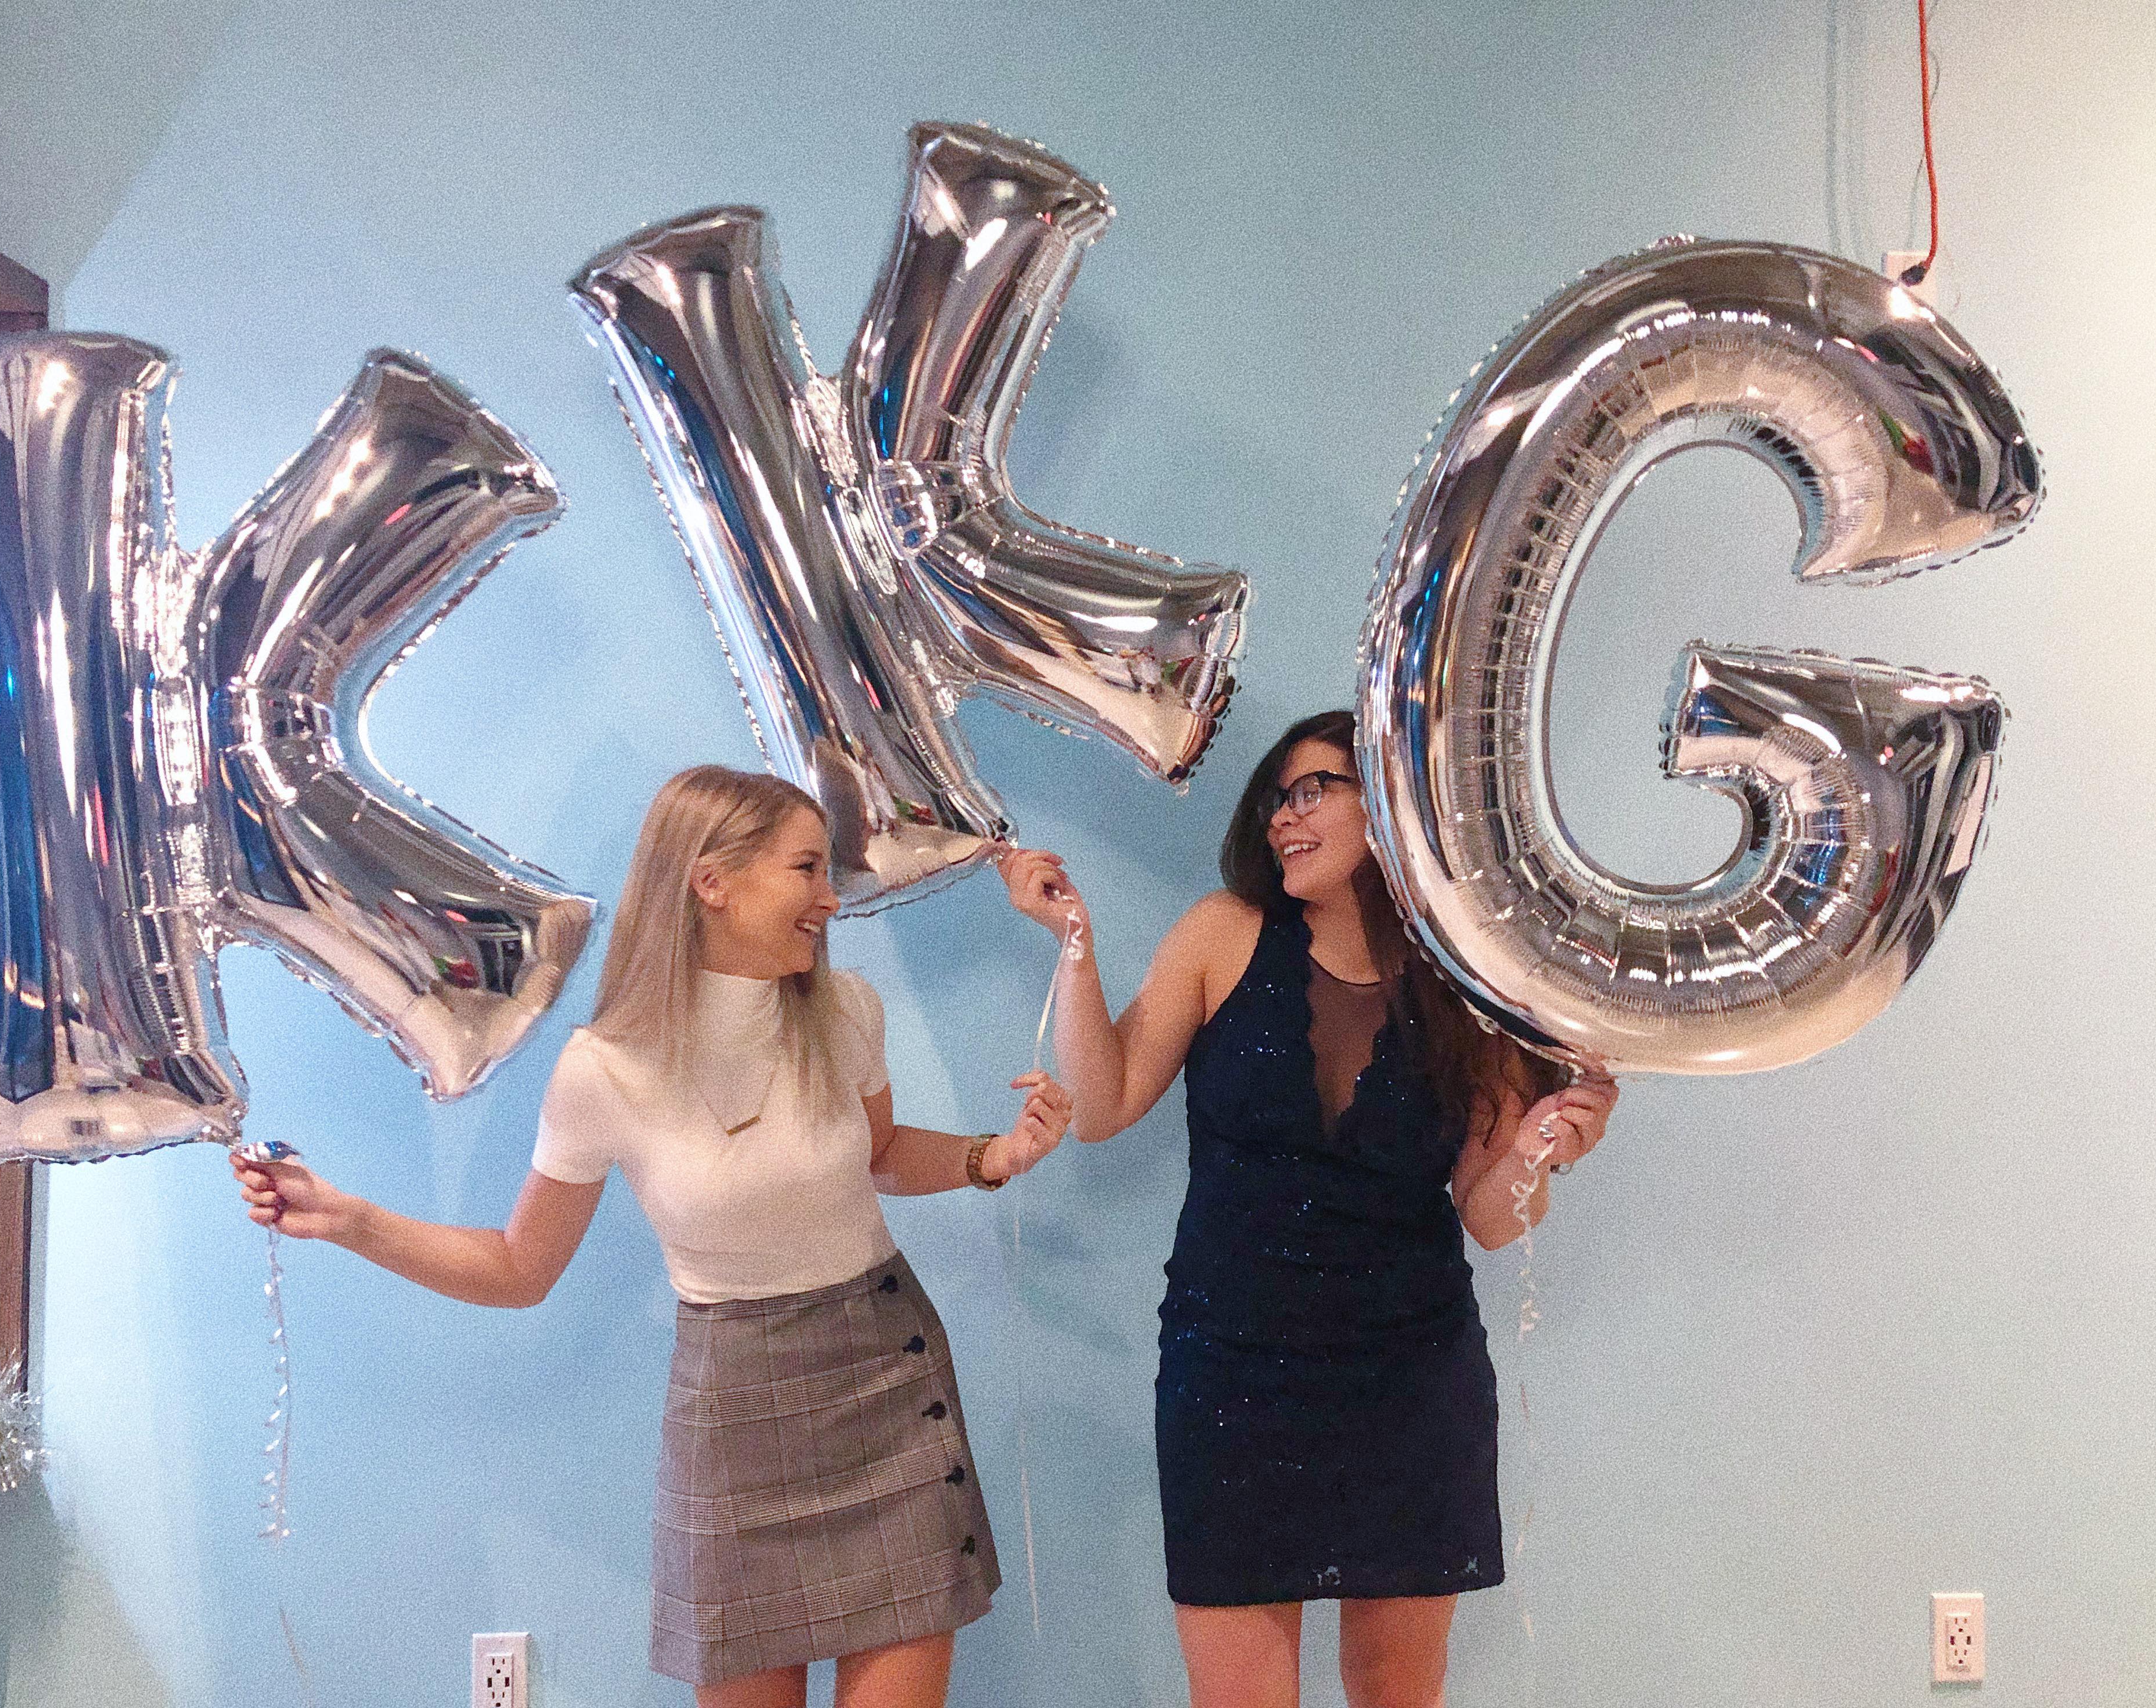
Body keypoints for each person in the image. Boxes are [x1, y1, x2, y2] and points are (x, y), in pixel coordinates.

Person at [235, 765, 1070, 1708]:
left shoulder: (846, 1014)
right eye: (806, 869)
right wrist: (351, 1219)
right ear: (712, 880)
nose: (831, 898)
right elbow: (520, 1267)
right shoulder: (604, 1072)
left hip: (888, 1379)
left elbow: (876, 1154)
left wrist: (991, 1157)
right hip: (736, 1412)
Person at [997, 711, 1617, 1708]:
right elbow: (1103, 1106)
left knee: (1396, 1693)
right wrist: (1074, 941)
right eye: (1278, 799)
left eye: (1314, 789)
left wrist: (1547, 1138)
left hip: (1411, 1379)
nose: (1285, 817)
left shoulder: (1471, 978)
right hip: (1231, 1377)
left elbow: (1491, 1216)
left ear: (1397, 802)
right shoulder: (1222, 933)